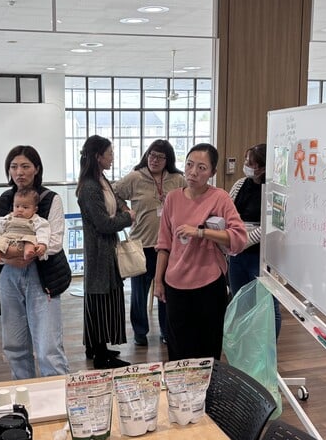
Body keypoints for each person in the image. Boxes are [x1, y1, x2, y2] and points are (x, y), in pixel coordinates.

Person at [154, 143, 247, 361]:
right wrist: (158, 281)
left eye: (202, 168)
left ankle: (207, 384)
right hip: (175, 284)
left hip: (208, 284)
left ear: (212, 173)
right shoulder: (173, 198)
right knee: (178, 350)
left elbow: (239, 238)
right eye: (189, 164)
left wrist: (201, 232)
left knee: (207, 350)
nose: (193, 172)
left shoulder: (220, 198)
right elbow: (164, 244)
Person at [0, 145, 70, 379]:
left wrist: (24, 252)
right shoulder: (3, 200)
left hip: (43, 276)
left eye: (25, 166)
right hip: (9, 276)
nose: (19, 172)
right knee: (14, 346)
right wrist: (15, 255)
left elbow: (54, 242)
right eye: (14, 167)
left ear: (37, 169)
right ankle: (23, 393)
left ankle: (57, 396)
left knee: (48, 348)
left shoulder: (51, 199)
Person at [113, 139, 186, 346]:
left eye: (160, 157)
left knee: (166, 292)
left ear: (168, 159)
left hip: (168, 246)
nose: (154, 160)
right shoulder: (135, 177)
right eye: (152, 155)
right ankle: (140, 332)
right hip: (141, 244)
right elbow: (113, 192)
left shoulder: (177, 179)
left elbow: (189, 198)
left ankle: (166, 330)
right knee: (139, 293)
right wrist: (126, 210)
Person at [77, 135, 135, 369]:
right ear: (98, 156)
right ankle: (100, 355)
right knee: (101, 299)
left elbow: (115, 203)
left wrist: (123, 210)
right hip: (99, 252)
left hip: (105, 250)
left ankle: (96, 346)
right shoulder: (90, 187)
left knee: (103, 299)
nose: (112, 157)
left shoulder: (100, 179)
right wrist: (127, 218)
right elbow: (103, 224)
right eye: (109, 153)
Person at [228, 144, 282, 338]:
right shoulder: (240, 184)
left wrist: (244, 239)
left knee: (268, 304)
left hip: (261, 256)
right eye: (246, 161)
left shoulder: (275, 190)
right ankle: (246, 342)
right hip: (237, 254)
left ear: (263, 167)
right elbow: (228, 211)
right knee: (240, 300)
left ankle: (268, 345)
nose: (246, 165)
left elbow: (272, 224)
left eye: (250, 163)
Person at [0, 187, 50, 264]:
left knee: (31, 240)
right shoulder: (7, 218)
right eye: (17, 206)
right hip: (8, 239)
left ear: (35, 210)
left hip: (24, 239)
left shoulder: (37, 220)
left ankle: (28, 253)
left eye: (25, 207)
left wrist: (42, 244)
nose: (20, 210)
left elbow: (43, 232)